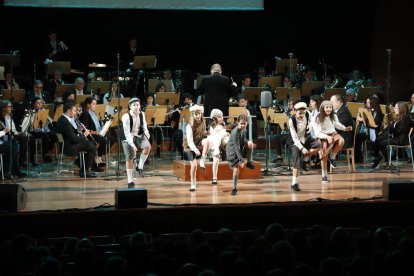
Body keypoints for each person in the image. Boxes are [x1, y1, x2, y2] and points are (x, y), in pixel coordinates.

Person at [312, 100, 352, 183]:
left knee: (341, 141)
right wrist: (327, 137)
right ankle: (324, 175)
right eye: (327, 107)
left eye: (330, 107)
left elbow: (337, 124)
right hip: (322, 136)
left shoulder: (333, 115)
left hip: (332, 133)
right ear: (323, 108)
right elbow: (317, 133)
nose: (329, 109)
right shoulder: (317, 117)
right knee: (324, 155)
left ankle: (332, 156)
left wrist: (345, 128)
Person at [56, 100, 97, 178]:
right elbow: (74, 139)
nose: (75, 113)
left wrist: (78, 130)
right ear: (69, 111)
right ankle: (85, 171)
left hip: (67, 145)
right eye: (74, 111)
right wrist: (84, 135)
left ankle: (84, 169)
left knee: (89, 144)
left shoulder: (62, 119)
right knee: (92, 146)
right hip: (69, 148)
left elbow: (70, 134)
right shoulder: (64, 122)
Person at [286, 102, 321, 191]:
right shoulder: (291, 121)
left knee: (318, 145)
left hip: (305, 137)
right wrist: (302, 148)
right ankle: (294, 183)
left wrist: (310, 124)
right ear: (295, 111)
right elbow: (294, 137)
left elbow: (312, 120)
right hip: (295, 142)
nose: (302, 115)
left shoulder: (307, 113)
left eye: (303, 113)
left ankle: (305, 158)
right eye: (299, 113)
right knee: (296, 162)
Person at [121, 98, 151, 188]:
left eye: (138, 105)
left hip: (138, 134)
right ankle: (130, 180)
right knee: (129, 157)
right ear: (130, 106)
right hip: (128, 137)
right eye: (134, 105)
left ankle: (140, 166)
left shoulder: (142, 114)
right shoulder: (126, 117)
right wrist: (133, 145)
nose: (136, 106)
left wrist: (146, 133)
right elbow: (127, 133)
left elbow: (144, 125)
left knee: (147, 146)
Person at [371, 102, 411, 168]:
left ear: (401, 109)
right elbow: (393, 129)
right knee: (377, 140)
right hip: (395, 137)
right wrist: (386, 127)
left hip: (400, 140)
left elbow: (399, 130)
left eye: (395, 108)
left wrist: (390, 127)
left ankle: (387, 162)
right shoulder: (397, 117)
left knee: (382, 144)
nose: (394, 109)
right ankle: (377, 159)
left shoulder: (406, 118)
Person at [226, 114, 255, 195]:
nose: (243, 125)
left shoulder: (244, 130)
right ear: (238, 122)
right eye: (241, 123)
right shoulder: (235, 132)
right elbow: (236, 147)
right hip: (232, 152)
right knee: (236, 170)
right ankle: (234, 188)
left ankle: (249, 162)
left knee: (250, 144)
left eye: (244, 123)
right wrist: (241, 160)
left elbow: (243, 139)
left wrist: (248, 141)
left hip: (239, 149)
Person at [199, 109, 230, 185]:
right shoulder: (213, 126)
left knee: (216, 158)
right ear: (214, 118)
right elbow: (210, 134)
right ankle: (202, 161)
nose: (221, 118)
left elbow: (222, 136)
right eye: (219, 117)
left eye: (222, 116)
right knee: (207, 142)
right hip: (210, 143)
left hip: (215, 145)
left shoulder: (222, 125)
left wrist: (226, 135)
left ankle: (214, 178)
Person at [79, 96, 107, 171]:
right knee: (102, 140)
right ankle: (96, 161)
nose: (95, 106)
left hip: (94, 134)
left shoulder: (93, 113)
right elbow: (85, 130)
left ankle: (98, 159)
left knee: (108, 138)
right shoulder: (85, 114)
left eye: (95, 104)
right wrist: (97, 133)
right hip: (87, 136)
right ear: (88, 105)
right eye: (93, 104)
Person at [183, 105, 206, 192]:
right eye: (195, 114)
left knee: (207, 142)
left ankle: (202, 160)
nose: (197, 116)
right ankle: (193, 183)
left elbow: (202, 133)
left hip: (198, 144)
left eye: (198, 114)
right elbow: (189, 141)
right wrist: (195, 150)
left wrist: (208, 133)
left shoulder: (203, 122)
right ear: (192, 115)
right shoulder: (189, 126)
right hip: (189, 146)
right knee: (194, 165)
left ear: (201, 114)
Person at [354, 96, 384, 163]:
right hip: (368, 131)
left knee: (359, 136)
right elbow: (364, 121)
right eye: (366, 102)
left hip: (375, 132)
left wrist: (363, 119)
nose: (366, 104)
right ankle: (359, 157)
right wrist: (359, 118)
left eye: (368, 102)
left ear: (373, 103)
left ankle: (377, 155)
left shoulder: (378, 112)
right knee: (357, 136)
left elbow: (375, 123)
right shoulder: (367, 111)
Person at [30, 97, 57, 163]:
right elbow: (31, 123)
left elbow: (50, 121)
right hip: (35, 130)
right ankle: (45, 154)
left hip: (45, 129)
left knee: (55, 135)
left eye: (41, 103)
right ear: (34, 104)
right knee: (45, 136)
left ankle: (48, 149)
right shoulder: (32, 112)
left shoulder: (44, 110)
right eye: (37, 103)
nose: (39, 104)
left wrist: (47, 118)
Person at [144, 93, 163, 158]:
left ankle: (158, 150)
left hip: (155, 125)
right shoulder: (144, 107)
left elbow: (159, 116)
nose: (150, 100)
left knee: (159, 131)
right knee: (149, 134)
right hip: (147, 125)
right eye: (148, 98)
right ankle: (148, 152)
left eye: (151, 98)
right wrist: (147, 124)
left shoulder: (156, 106)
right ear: (146, 99)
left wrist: (156, 123)